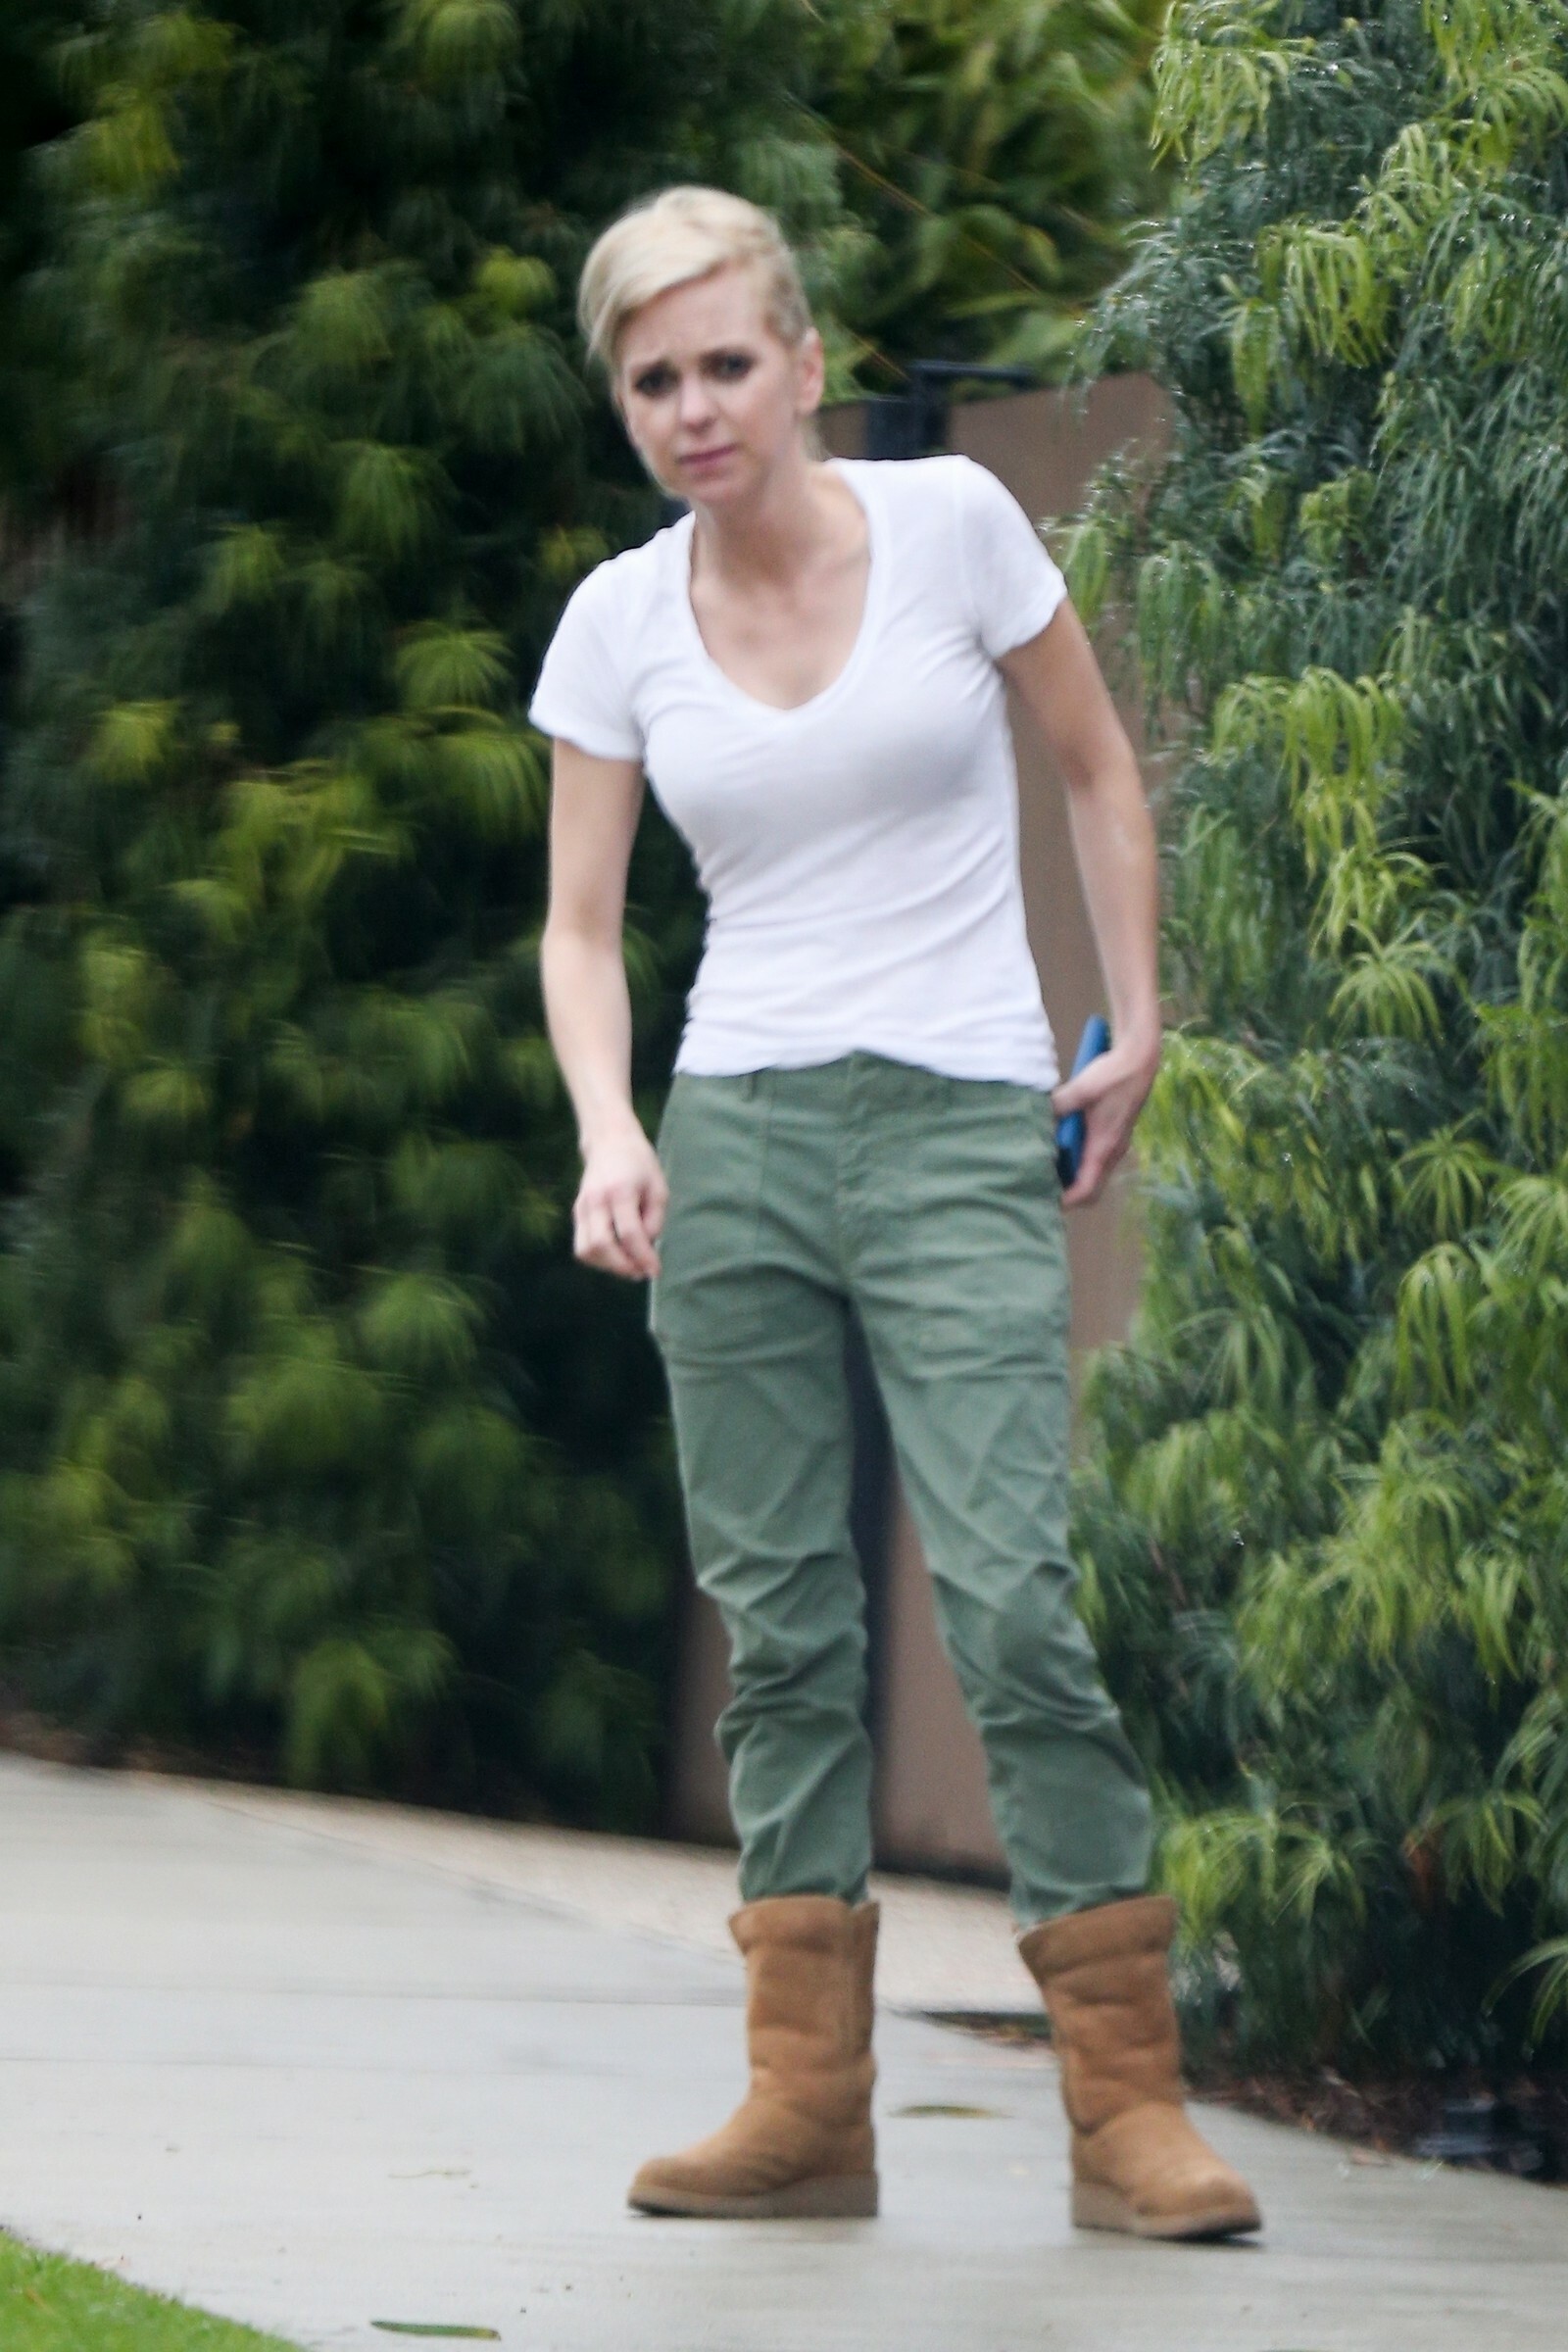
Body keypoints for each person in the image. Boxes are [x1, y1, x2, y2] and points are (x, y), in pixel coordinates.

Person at [532, 185, 1260, 2242]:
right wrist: (609, 1129)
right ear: (626, 403)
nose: (692, 407)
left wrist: (1134, 1018)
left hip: (955, 1122)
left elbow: (1096, 768)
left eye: (723, 364)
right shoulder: (617, 620)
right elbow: (578, 929)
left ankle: (1127, 2112)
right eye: (651, 380)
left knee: (1011, 1601)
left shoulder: (953, 526)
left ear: (805, 364)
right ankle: (804, 2106)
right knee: (780, 1629)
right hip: (738, 1135)